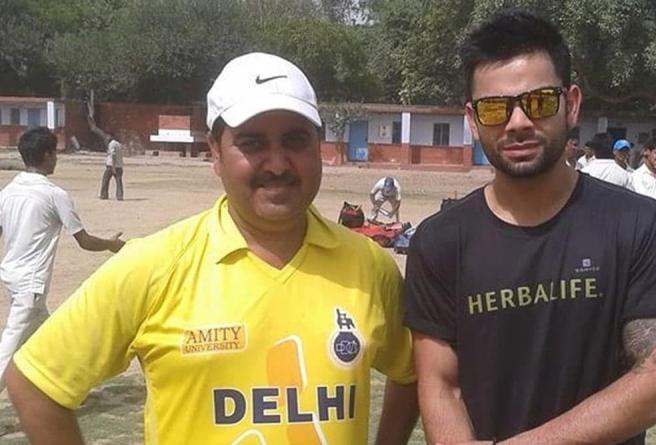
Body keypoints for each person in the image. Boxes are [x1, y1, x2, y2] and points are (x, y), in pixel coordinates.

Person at [6, 53, 418, 444]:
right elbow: (35, 383)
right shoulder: (155, 265)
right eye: (252, 144)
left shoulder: (369, 266)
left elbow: (412, 371)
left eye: (295, 140)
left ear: (318, 147)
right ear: (215, 153)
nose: (278, 164)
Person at [404, 9, 656, 445]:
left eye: (538, 102)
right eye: (495, 108)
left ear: (571, 104)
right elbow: (441, 384)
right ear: (472, 120)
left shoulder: (637, 225)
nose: (518, 122)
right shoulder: (440, 242)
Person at [0, 127, 125, 392]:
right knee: (8, 350)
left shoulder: (7, 192)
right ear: (47, 155)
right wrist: (111, 245)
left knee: (52, 339)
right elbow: (84, 241)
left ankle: (65, 387)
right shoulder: (54, 195)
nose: (56, 159)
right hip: (30, 285)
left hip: (12, 276)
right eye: (54, 153)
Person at [99, 134, 124, 200]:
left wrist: (113, 166)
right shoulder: (119, 144)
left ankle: (104, 195)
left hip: (111, 166)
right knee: (119, 182)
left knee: (105, 180)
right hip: (119, 166)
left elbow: (113, 155)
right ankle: (120, 196)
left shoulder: (112, 144)